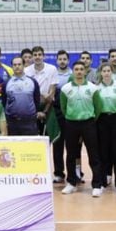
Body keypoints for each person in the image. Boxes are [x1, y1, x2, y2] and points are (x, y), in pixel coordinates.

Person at [59, 62, 103, 196]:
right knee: (71, 155)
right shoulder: (65, 89)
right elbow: (63, 107)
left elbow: (98, 107)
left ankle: (97, 185)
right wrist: (72, 117)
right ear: (73, 72)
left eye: (81, 69)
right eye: (76, 69)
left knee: (93, 154)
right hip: (71, 124)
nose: (78, 72)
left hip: (88, 123)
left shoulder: (93, 88)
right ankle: (71, 182)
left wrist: (90, 119)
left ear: (85, 72)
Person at [96, 64, 116, 193]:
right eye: (104, 71)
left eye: (108, 70)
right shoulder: (96, 88)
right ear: (101, 73)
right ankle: (103, 182)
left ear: (111, 72)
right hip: (102, 120)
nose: (107, 73)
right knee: (103, 152)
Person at [4, 56, 44, 135]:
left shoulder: (32, 82)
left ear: (23, 65)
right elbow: (4, 101)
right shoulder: (6, 83)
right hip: (12, 122)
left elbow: (36, 100)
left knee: (30, 146)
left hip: (29, 121)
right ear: (12, 67)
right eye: (14, 65)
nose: (17, 66)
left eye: (19, 64)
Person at [51, 50, 74, 183]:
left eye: (64, 59)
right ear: (57, 60)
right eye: (60, 59)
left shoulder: (73, 74)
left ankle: (75, 173)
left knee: (72, 145)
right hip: (57, 112)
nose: (62, 61)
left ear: (68, 60)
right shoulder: (53, 75)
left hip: (71, 113)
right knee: (57, 143)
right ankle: (59, 173)